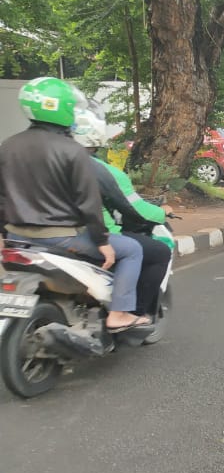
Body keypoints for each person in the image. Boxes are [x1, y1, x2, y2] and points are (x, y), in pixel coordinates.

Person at [0, 77, 150, 332]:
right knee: (132, 249)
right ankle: (119, 314)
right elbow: (88, 203)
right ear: (62, 109)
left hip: (17, 236)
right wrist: (103, 242)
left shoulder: (8, 146)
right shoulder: (72, 150)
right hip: (61, 238)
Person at [71, 108, 174, 319]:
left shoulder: (47, 160)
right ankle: (134, 314)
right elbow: (134, 208)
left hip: (38, 235)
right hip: (93, 234)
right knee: (159, 252)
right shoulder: (102, 170)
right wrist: (162, 213)